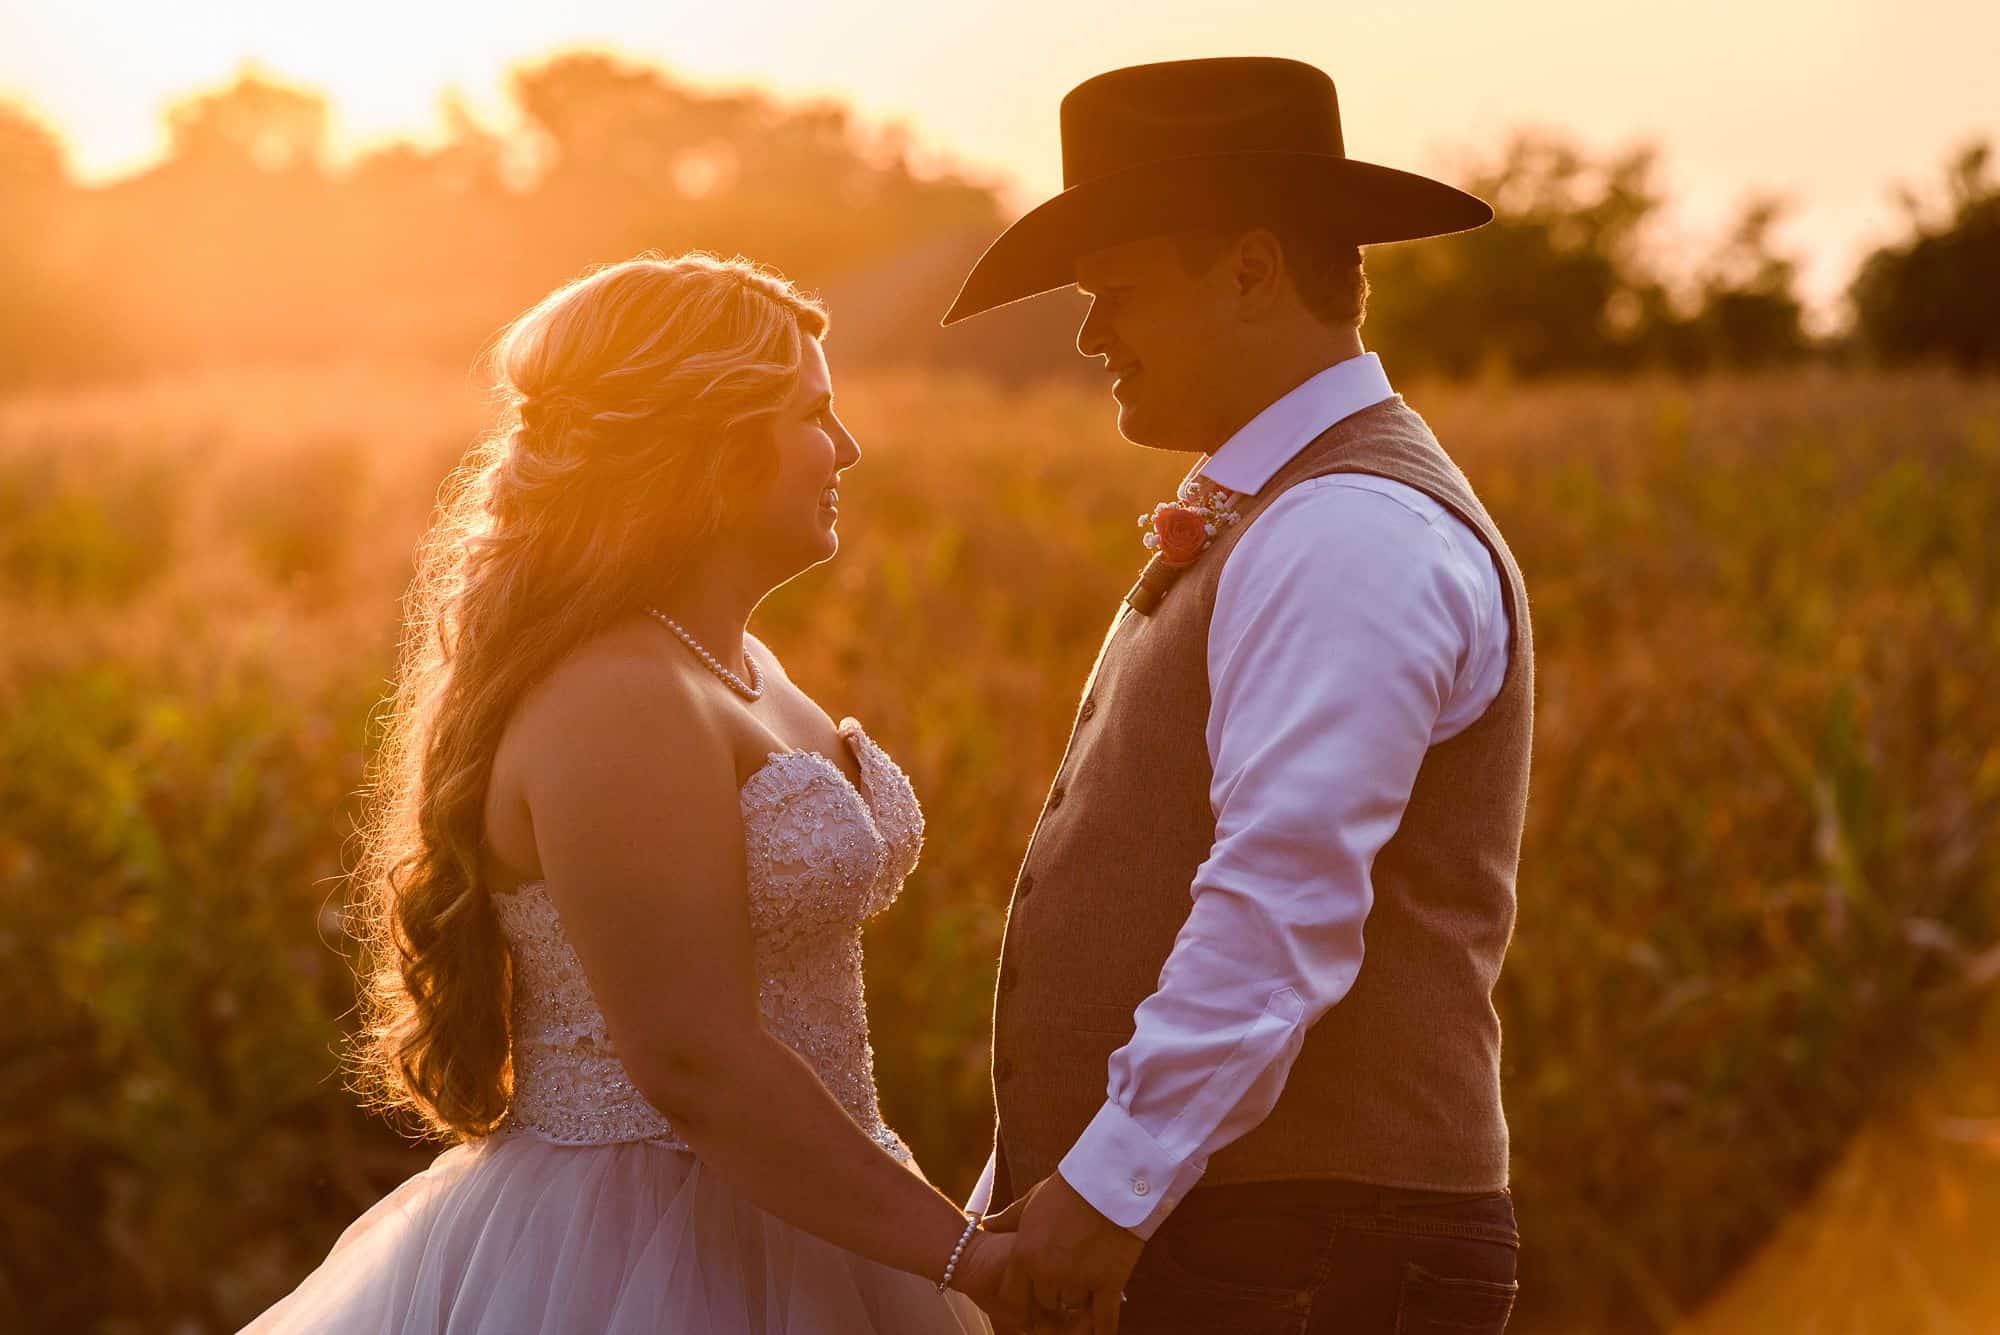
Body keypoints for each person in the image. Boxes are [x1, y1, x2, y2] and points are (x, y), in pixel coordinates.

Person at [243, 253, 1016, 1333]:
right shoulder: (616, 697)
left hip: (809, 1205)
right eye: (811, 414)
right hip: (647, 1242)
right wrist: (967, 1260)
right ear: (705, 446)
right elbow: (694, 1063)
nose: (845, 449)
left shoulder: (731, 664)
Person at [944, 58, 1535, 1334]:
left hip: (1305, 1244)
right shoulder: (1290, 509)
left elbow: (1281, 894)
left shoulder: (1347, 527)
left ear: (1254, 270)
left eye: (1115, 290)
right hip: (1260, 1229)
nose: (1091, 336)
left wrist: (1104, 1192)